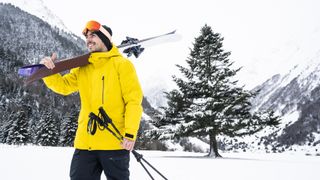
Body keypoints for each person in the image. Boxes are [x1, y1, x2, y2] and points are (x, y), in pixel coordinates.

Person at [40, 20, 143, 180]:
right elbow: (64, 86)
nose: (88, 39)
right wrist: (49, 72)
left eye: (93, 35)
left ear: (105, 38)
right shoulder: (83, 67)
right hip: (85, 142)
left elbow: (133, 101)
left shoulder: (122, 65)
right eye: (87, 36)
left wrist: (130, 134)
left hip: (114, 143)